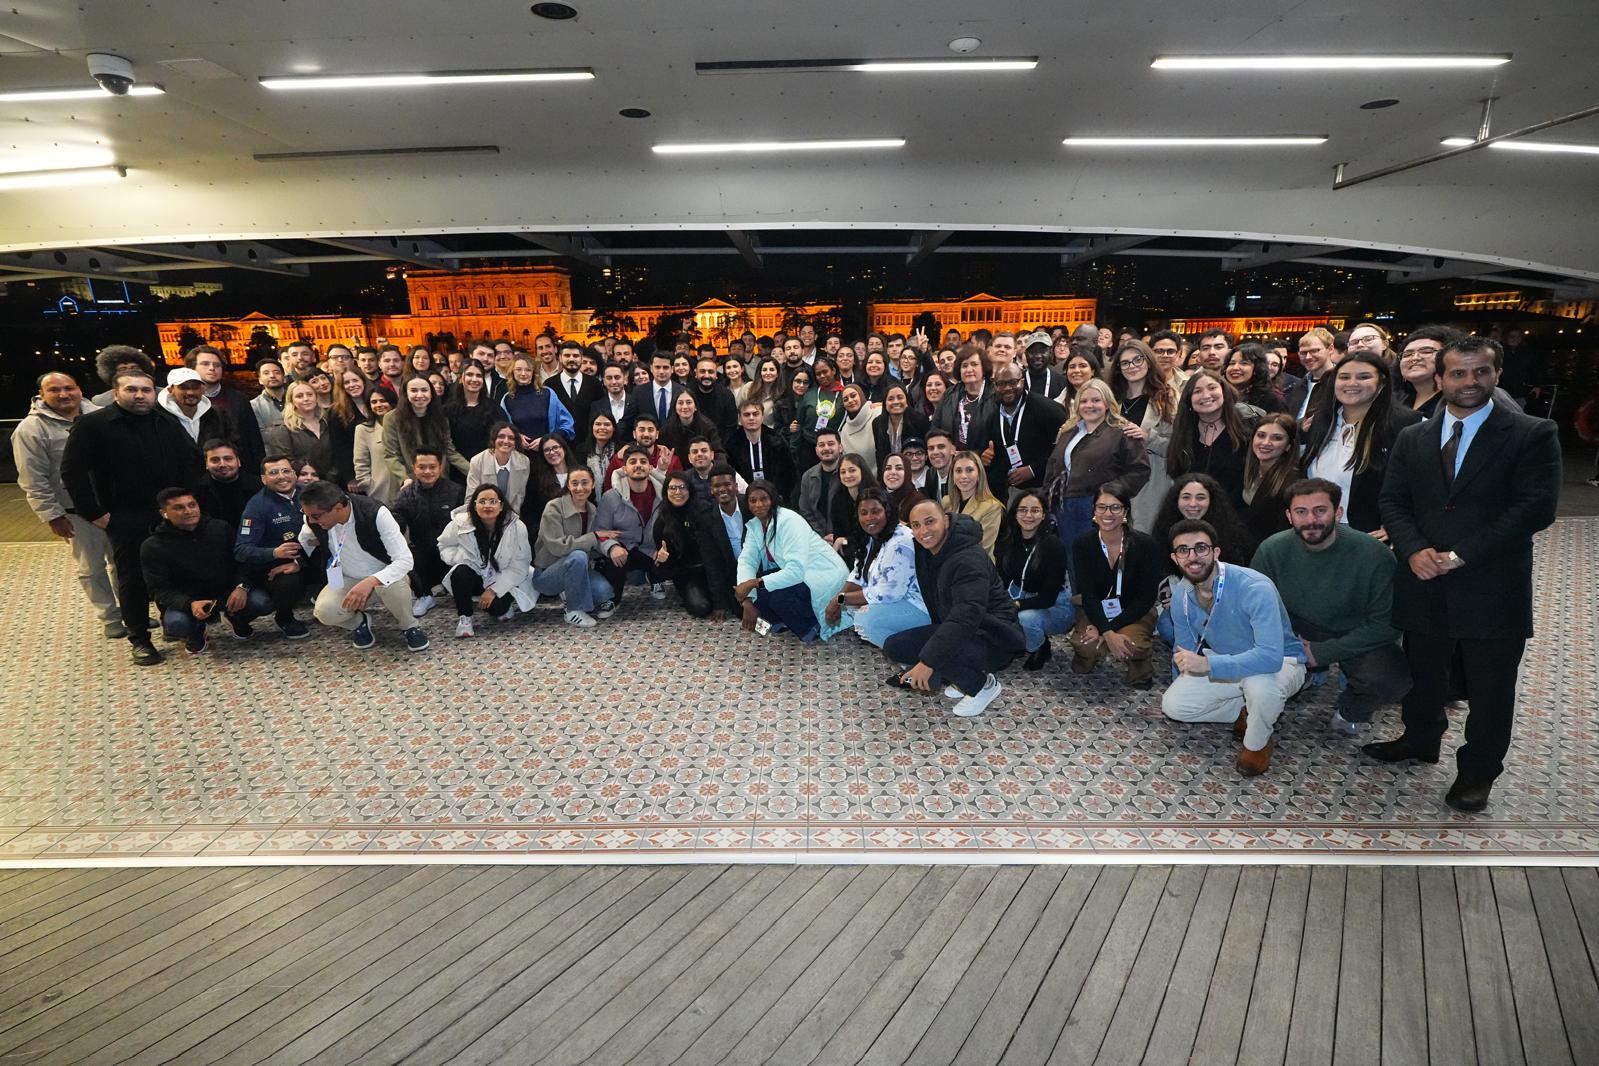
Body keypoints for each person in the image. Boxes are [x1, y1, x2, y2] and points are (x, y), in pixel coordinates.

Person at [1366, 336, 1562, 812]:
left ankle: (1477, 773)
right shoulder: (1415, 436)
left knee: (1490, 688)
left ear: (1497, 376)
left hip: (1491, 582)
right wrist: (1413, 550)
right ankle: (1420, 738)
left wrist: (1459, 555)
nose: (1470, 381)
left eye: (1481, 372)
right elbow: (1393, 500)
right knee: (1424, 671)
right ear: (1440, 380)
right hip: (1422, 576)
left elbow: (1534, 508)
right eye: (1458, 373)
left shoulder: (1532, 433)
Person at [60, 368, 202, 665]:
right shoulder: (92, 425)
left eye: (145, 390)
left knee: (173, 571)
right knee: (132, 578)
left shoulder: (166, 422)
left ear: (154, 393)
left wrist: (187, 505)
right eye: (131, 389)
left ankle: (174, 624)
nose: (139, 395)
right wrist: (94, 513)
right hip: (124, 515)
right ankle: (139, 638)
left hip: (168, 514)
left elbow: (189, 461)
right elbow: (72, 472)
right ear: (116, 393)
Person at [1253, 478, 1412, 736]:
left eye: (1320, 511)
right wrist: (1290, 645)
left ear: (1338, 513)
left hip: (1354, 631)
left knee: (1392, 680)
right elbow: (1255, 609)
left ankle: (1351, 710)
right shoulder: (1271, 550)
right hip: (1295, 629)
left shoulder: (1375, 555)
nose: (1311, 520)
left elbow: (1386, 625)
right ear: (1289, 516)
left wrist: (1322, 652)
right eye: (1301, 512)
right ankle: (1303, 675)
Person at [1161, 519, 1307, 775]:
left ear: (1216, 552)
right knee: (1174, 705)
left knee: (1260, 686)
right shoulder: (1181, 594)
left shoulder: (1254, 587)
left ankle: (1257, 743)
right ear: (1175, 558)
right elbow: (1183, 651)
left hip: (1280, 663)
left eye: (1201, 548)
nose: (1193, 557)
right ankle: (1251, 710)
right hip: (1227, 660)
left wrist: (1208, 664)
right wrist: (1182, 681)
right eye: (1183, 550)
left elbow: (1270, 657)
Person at [884, 499, 1025, 717]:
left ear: (946, 521)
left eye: (930, 522)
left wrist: (929, 662)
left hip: (995, 635)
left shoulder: (969, 559)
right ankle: (962, 677)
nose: (923, 531)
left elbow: (966, 616)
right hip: (966, 627)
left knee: (937, 653)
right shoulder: (929, 550)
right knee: (896, 646)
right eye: (916, 525)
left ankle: (982, 686)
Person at [12, 371, 121, 636]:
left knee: (123, 563)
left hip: (115, 505)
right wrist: (52, 515)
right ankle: (110, 618)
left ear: (79, 389)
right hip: (74, 512)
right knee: (91, 568)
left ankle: (132, 610)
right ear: (41, 395)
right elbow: (32, 479)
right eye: (54, 390)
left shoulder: (102, 416)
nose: (63, 394)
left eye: (69, 388)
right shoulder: (31, 429)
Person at [297, 480, 429, 652]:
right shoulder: (314, 519)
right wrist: (296, 562)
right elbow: (304, 540)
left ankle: (409, 626)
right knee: (324, 611)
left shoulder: (376, 513)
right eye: (306, 514)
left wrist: (371, 581)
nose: (311, 521)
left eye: (315, 516)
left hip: (383, 574)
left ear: (338, 508)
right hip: (346, 576)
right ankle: (359, 623)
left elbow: (405, 560)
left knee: (394, 585)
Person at [1301, 351, 1421, 538]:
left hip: (1369, 537)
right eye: (1344, 377)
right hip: (1317, 532)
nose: (1352, 383)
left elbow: (1421, 484)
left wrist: (1397, 526)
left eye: (1364, 377)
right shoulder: (1321, 422)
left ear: (1382, 383)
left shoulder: (1407, 424)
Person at [140, 487, 266, 654]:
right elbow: (158, 589)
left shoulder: (220, 528)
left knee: (262, 601)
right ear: (164, 513)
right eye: (179, 508)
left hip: (226, 593)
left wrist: (242, 586)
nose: (188, 511)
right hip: (189, 600)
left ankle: (236, 619)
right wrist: (188, 604)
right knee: (176, 623)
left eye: (192, 505)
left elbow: (243, 562)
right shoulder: (153, 546)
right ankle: (196, 632)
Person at [1042, 378, 1150, 558]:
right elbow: (1052, 467)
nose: (1089, 405)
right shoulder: (1068, 431)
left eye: (1096, 400)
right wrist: (1047, 498)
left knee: (1100, 561)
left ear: (1107, 404)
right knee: (1072, 562)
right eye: (1084, 401)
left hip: (1100, 508)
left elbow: (1139, 470)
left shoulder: (1122, 431)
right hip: (1064, 508)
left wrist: (1110, 495)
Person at [1068, 481, 1162, 687]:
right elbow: (1088, 595)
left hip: (1134, 611)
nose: (1107, 513)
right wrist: (1106, 631)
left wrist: (1108, 630)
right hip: (1095, 610)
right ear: (1094, 511)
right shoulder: (1083, 544)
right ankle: (1085, 658)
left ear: (1125, 511)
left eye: (1115, 507)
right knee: (1086, 646)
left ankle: (1140, 667)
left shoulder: (1146, 545)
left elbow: (1146, 598)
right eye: (1101, 507)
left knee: (1131, 645)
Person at [734, 479, 850, 643]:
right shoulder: (755, 525)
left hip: (822, 574)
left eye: (764, 499)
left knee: (777, 596)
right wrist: (746, 600)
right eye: (753, 500)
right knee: (755, 592)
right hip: (798, 573)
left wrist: (753, 584)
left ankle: (811, 627)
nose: (758, 505)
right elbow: (747, 561)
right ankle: (783, 621)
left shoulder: (789, 520)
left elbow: (795, 572)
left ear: (773, 499)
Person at [825, 487, 929, 646]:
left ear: (887, 511)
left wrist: (840, 600)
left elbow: (884, 594)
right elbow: (857, 575)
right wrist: (838, 598)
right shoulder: (871, 537)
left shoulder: (900, 542)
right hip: (895, 601)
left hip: (917, 608)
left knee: (865, 619)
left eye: (875, 511)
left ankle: (910, 656)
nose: (869, 518)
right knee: (852, 605)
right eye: (864, 513)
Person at [436, 483, 538, 637]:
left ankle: (502, 605)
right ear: (474, 505)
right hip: (476, 574)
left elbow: (520, 566)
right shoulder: (460, 523)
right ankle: (465, 618)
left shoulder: (517, 526)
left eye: (493, 501)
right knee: (460, 572)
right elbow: (444, 545)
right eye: (482, 501)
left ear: (501, 506)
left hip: (504, 577)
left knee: (498, 609)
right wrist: (461, 558)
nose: (487, 506)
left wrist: (493, 590)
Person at [233, 454, 312, 639]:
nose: (281, 476)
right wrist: (274, 553)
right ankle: (284, 617)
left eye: (286, 471)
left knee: (337, 564)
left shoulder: (310, 494)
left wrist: (300, 562)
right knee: (288, 582)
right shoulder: (256, 507)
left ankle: (338, 606)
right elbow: (241, 550)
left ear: (295, 474)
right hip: (273, 568)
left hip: (310, 558)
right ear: (264, 479)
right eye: (274, 473)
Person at [532, 466, 619, 627]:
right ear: (568, 485)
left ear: (593, 484)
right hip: (546, 574)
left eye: (585, 483)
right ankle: (573, 610)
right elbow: (557, 547)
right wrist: (593, 537)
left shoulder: (592, 510)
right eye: (574, 483)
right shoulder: (554, 507)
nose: (580, 488)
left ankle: (569, 590)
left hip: (579, 568)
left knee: (605, 592)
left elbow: (595, 545)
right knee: (578, 556)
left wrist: (612, 547)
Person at [995, 490, 1072, 670]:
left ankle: (1040, 646)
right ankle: (1017, 640)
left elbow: (1048, 598)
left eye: (1035, 510)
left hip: (1054, 605)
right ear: (1015, 514)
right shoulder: (1007, 540)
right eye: (1023, 510)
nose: (1028, 515)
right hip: (1017, 594)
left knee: (1024, 619)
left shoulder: (1054, 546)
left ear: (1044, 514)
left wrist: (1015, 605)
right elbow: (1002, 579)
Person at [652, 469, 739, 619]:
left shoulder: (704, 510)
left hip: (713, 568)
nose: (678, 492)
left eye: (682, 487)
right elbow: (664, 573)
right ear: (666, 492)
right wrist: (662, 560)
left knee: (735, 601)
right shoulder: (662, 522)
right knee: (701, 607)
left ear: (690, 490)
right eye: (672, 488)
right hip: (687, 574)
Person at [1166, 369, 1260, 508]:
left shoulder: (1247, 427)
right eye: (1197, 391)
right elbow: (1177, 472)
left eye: (1212, 388)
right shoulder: (1184, 431)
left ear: (1224, 391)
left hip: (1239, 513)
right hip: (1195, 512)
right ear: (1188, 399)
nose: (1206, 395)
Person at [390, 449, 465, 617]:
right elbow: (395, 522)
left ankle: (457, 591)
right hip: (422, 550)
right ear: (414, 468)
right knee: (404, 555)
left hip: (451, 549)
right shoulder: (406, 494)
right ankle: (424, 596)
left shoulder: (455, 490)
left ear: (440, 467)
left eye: (432, 467)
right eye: (422, 467)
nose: (428, 471)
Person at [981, 362, 1068, 498]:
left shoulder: (1048, 409)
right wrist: (985, 457)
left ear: (1022, 381)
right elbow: (991, 452)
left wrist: (1033, 470)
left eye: (1013, 382)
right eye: (1001, 384)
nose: (1007, 388)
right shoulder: (992, 416)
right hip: (1009, 492)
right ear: (995, 386)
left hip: (1044, 489)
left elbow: (1064, 448)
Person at [596, 444, 668, 602]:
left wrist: (665, 548)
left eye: (643, 461)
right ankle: (614, 600)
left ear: (650, 468)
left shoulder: (663, 494)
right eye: (633, 462)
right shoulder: (610, 497)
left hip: (653, 549)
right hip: (625, 548)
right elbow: (600, 530)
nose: (638, 465)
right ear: (624, 468)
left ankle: (655, 578)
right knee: (615, 557)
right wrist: (612, 547)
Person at [185, 345, 264, 473]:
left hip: (239, 469)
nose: (212, 368)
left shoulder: (238, 399)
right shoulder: (184, 400)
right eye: (205, 364)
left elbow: (253, 438)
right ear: (192, 368)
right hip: (198, 470)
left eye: (217, 365)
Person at [384, 376, 469, 485]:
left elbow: (449, 451)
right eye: (414, 390)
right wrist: (404, 478)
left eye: (424, 390)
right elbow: (391, 455)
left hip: (439, 481)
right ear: (406, 394)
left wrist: (472, 470)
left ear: (431, 393)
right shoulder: (392, 418)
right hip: (409, 482)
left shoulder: (441, 418)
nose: (420, 395)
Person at [268, 380, 343, 487]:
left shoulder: (328, 421)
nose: (306, 399)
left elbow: (339, 452)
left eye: (309, 394)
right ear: (291, 401)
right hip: (302, 485)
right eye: (299, 396)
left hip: (334, 482)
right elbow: (284, 463)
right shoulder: (282, 428)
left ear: (316, 397)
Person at [1240, 414, 1300, 546]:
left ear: (1288, 446)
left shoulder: (1293, 483)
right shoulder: (1245, 469)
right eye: (1261, 435)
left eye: (1277, 438)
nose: (1266, 442)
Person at [500, 352, 574, 451]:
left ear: (534, 372)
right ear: (512, 372)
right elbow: (502, 429)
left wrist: (547, 439)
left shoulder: (548, 394)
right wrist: (516, 436)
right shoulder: (507, 399)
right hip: (519, 454)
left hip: (548, 452)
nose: (523, 374)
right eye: (518, 369)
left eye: (528, 370)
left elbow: (567, 425)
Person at [726, 399, 794, 502]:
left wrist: (778, 495)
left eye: (755, 414)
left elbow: (789, 472)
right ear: (740, 419)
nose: (751, 418)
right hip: (744, 498)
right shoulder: (732, 444)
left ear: (762, 417)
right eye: (747, 415)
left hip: (775, 497)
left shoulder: (777, 441)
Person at [945, 450, 1005, 557]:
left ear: (979, 475)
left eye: (969, 470)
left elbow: (983, 547)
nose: (963, 476)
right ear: (952, 476)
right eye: (958, 471)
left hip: (975, 564)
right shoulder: (946, 502)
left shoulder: (992, 507)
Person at [934, 346, 993, 451]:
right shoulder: (950, 394)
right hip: (954, 457)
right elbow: (936, 427)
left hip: (986, 458)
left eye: (974, 364)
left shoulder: (995, 394)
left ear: (984, 368)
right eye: (964, 366)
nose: (969, 369)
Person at [467, 422, 531, 514]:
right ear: (494, 440)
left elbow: (519, 498)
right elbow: (471, 498)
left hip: (511, 515)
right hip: (483, 514)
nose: (506, 441)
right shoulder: (477, 461)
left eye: (511, 438)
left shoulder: (524, 461)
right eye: (501, 436)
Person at [352, 384, 399, 505]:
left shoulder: (404, 426)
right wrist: (368, 485)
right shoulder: (363, 429)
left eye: (383, 401)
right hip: (379, 491)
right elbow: (360, 462)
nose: (378, 405)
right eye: (374, 402)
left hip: (406, 486)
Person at [194, 439, 260, 527]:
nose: (222, 464)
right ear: (206, 464)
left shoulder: (258, 486)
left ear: (238, 461)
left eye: (228, 459)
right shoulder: (197, 491)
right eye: (215, 460)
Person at [547, 342, 604, 440]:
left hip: (589, 442)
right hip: (559, 442)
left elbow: (600, 413)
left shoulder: (595, 384)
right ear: (560, 358)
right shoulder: (550, 385)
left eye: (576, 356)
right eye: (567, 355)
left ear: (581, 358)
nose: (571, 359)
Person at [795, 429, 845, 537]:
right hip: (818, 538)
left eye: (831, 444)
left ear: (840, 447)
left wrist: (838, 536)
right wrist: (821, 536)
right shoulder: (808, 477)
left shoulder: (850, 472)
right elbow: (806, 511)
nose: (826, 448)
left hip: (847, 537)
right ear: (816, 450)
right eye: (821, 445)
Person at [444, 363, 497, 461]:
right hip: (458, 465)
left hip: (487, 463)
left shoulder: (493, 407)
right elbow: (448, 446)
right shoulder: (448, 409)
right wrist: (470, 467)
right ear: (461, 378)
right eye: (470, 374)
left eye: (479, 375)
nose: (474, 379)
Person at [826, 452, 878, 550]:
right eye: (843, 472)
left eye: (852, 470)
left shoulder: (875, 496)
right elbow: (838, 537)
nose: (847, 475)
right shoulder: (838, 499)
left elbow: (872, 535)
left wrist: (843, 541)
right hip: (850, 549)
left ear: (862, 471)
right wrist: (844, 541)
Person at [1223, 343, 1289, 414]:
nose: (1235, 368)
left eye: (1244, 363)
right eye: (1232, 363)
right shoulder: (1220, 394)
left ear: (1257, 368)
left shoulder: (1272, 401)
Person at [91, 344, 157, 407]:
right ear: (112, 373)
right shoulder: (100, 401)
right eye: (123, 369)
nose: (130, 371)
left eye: (134, 367)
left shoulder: (162, 394)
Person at [632, 353, 686, 428]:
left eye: (665, 367)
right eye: (657, 367)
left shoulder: (682, 391)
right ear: (651, 368)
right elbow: (630, 420)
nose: (661, 372)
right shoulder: (638, 392)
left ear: (672, 369)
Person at [589, 362, 638, 442]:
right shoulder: (596, 406)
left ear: (625, 379)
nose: (614, 382)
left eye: (617, 377)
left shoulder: (636, 402)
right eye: (609, 378)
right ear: (604, 381)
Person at [249, 358, 288, 431]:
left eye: (277, 372)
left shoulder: (298, 399)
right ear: (260, 380)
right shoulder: (254, 406)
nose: (272, 376)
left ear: (284, 378)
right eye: (266, 373)